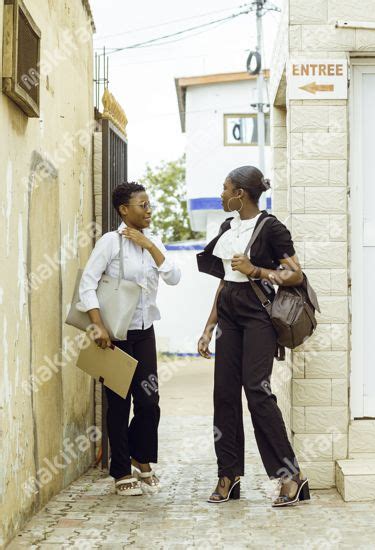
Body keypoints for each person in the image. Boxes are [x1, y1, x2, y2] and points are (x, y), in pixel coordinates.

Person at [197, 165, 310, 507]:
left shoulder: (271, 228)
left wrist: (256, 270)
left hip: (258, 314)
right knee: (224, 395)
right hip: (229, 312)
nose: (221, 194)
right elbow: (225, 281)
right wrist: (208, 326)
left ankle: (291, 476)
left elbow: (295, 273)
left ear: (240, 194)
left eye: (225, 188)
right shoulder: (227, 227)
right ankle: (228, 475)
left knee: (257, 392)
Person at [78, 182, 181, 496]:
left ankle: (141, 456)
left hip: (144, 332)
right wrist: (97, 326)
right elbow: (87, 283)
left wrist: (149, 245)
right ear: (124, 210)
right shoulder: (111, 242)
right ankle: (121, 471)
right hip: (115, 337)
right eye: (142, 204)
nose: (148, 210)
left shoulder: (153, 241)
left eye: (149, 204)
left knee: (149, 402)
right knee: (119, 405)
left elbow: (174, 277)